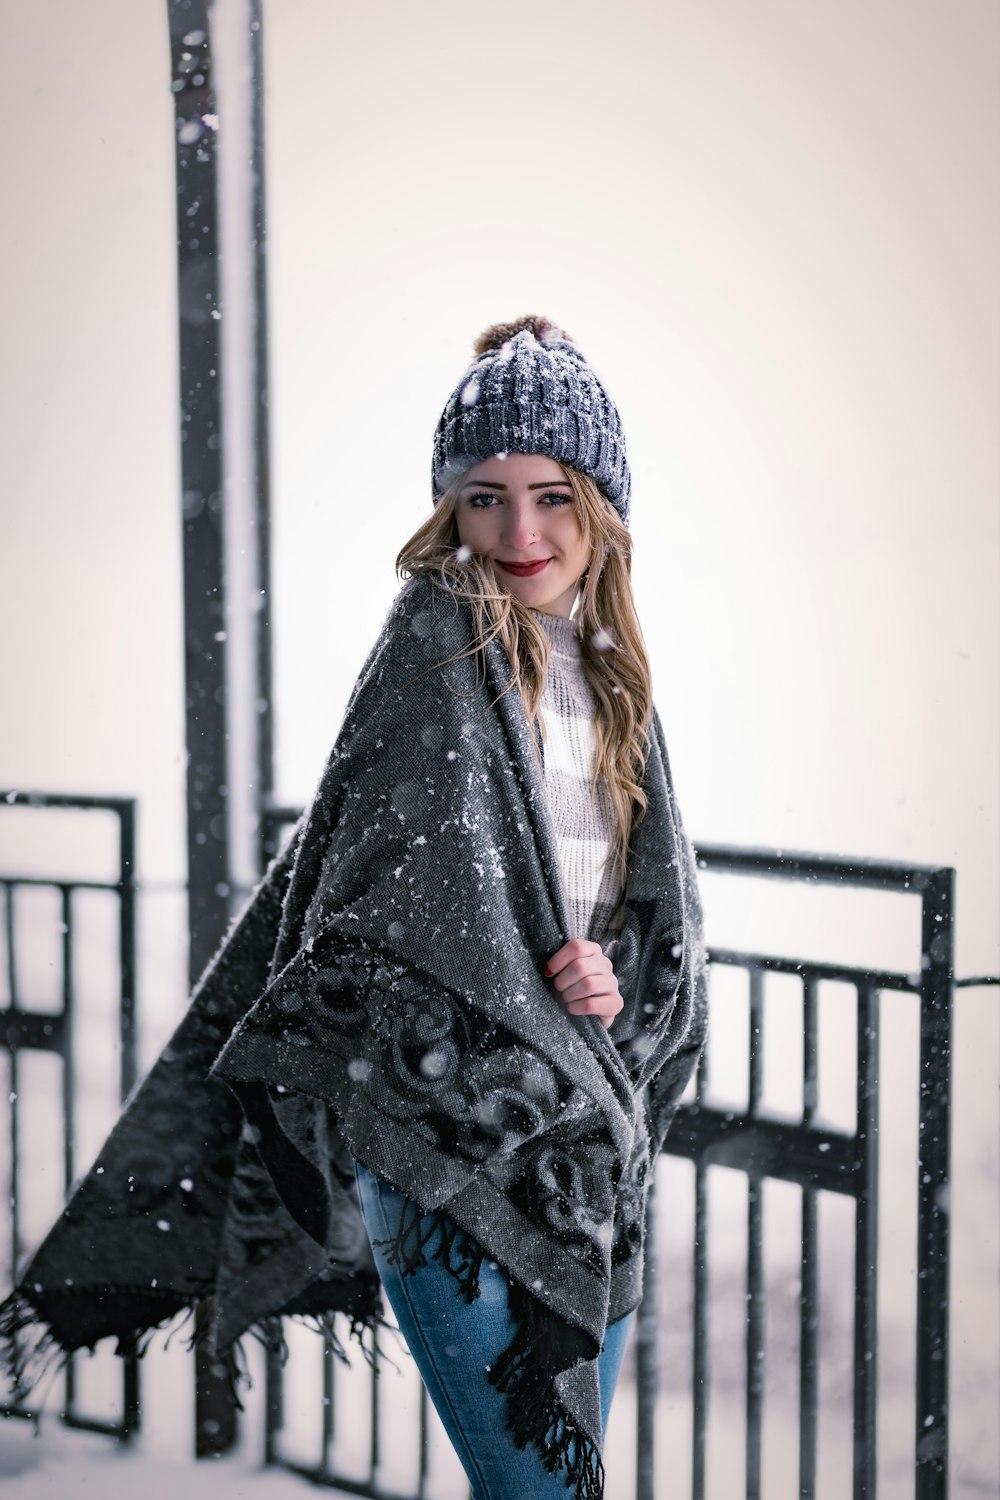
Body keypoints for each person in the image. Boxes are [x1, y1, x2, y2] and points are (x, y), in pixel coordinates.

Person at [2, 316, 708, 1500]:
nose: (520, 534)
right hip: (441, 1141)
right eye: (484, 499)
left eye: (551, 496)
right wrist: (525, 984)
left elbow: (641, 931)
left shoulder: (617, 683)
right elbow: (388, 905)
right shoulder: (440, 641)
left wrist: (607, 980)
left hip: (586, 1161)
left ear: (603, 506)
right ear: (447, 509)